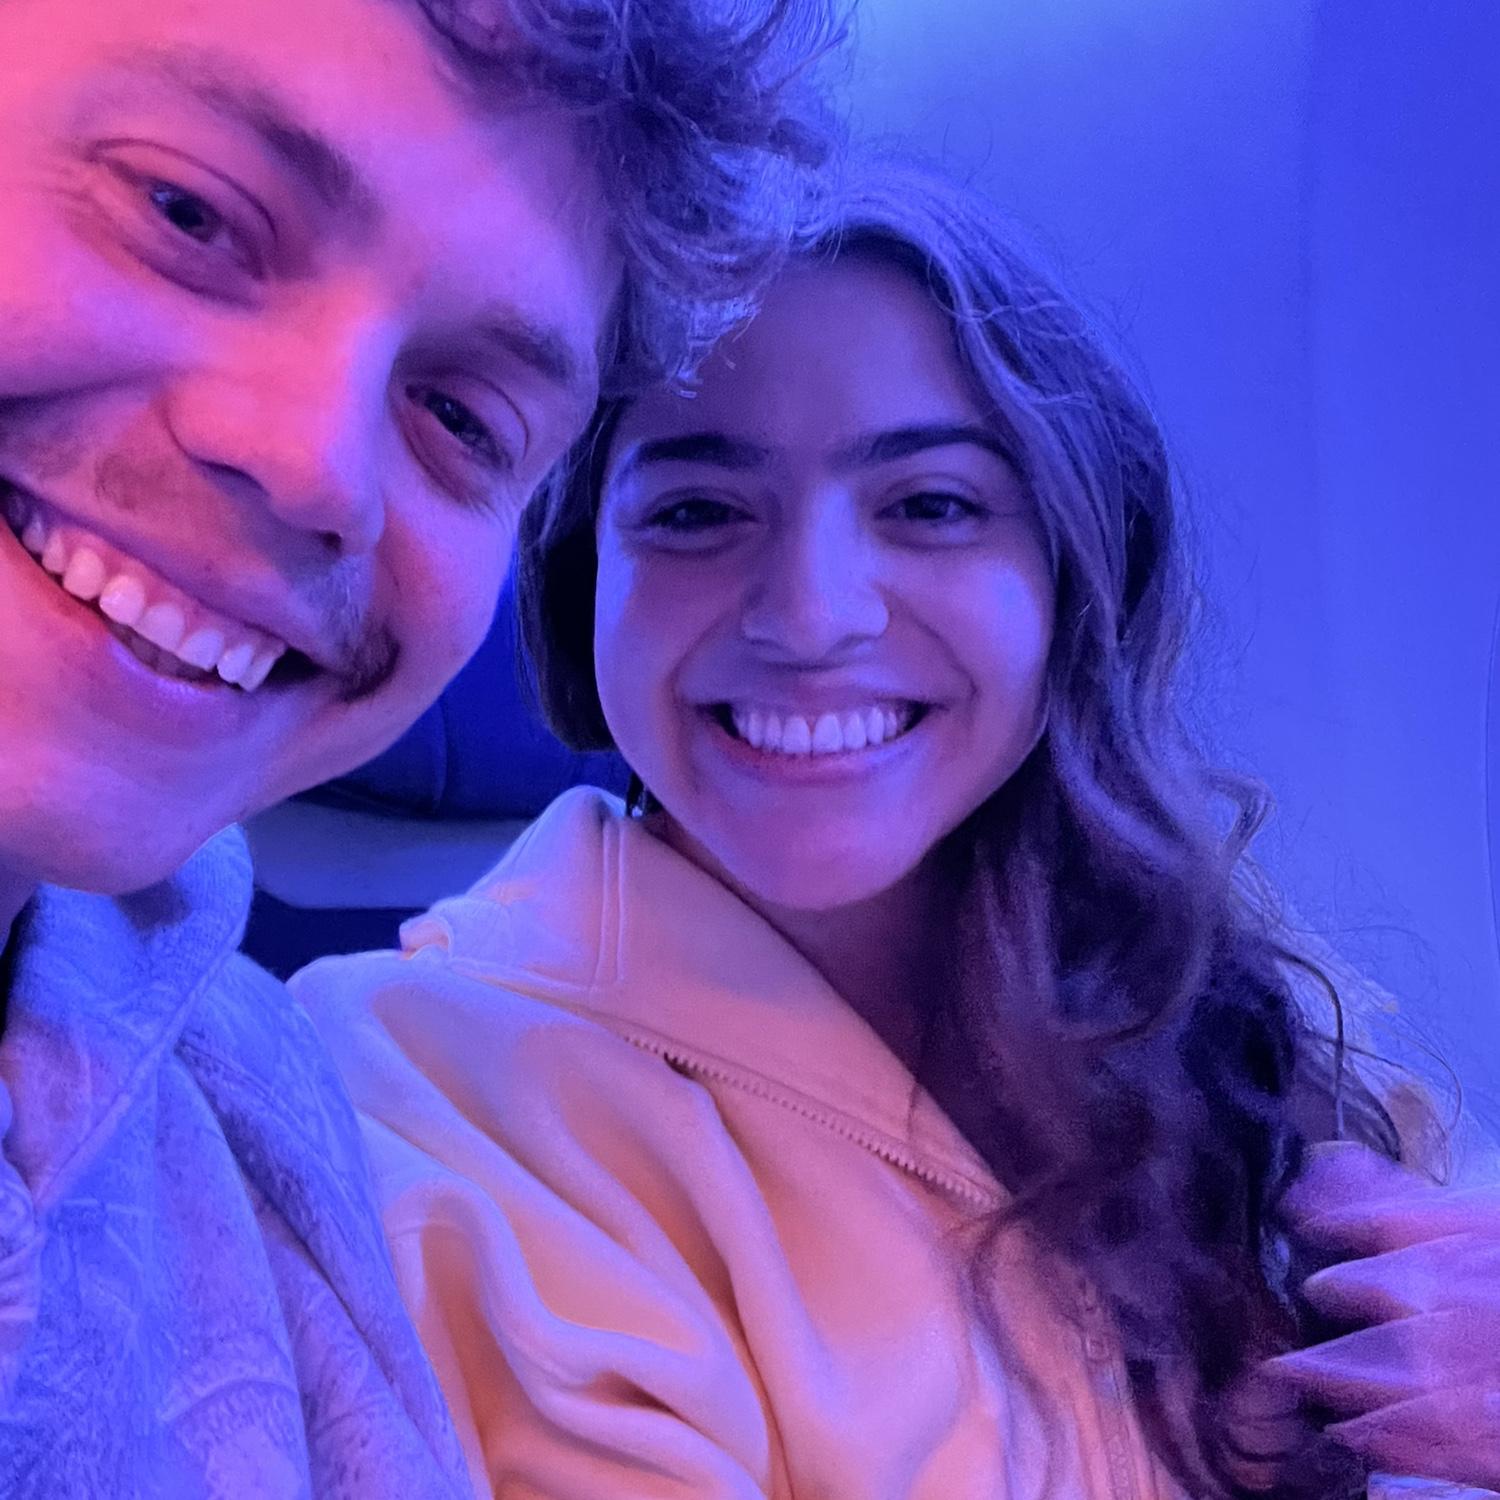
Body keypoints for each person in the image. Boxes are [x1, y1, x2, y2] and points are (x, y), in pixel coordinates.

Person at [297, 162, 1500, 1499]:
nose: (810, 615)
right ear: (586, 587)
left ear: (1072, 577)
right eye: (697, 512)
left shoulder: (1205, 994)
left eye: (930, 506)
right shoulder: (421, 1094)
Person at [0, 0, 838, 1491]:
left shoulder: (260, 1142)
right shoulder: (428, 1103)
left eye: (459, 413)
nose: (317, 466)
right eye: (185, 211)